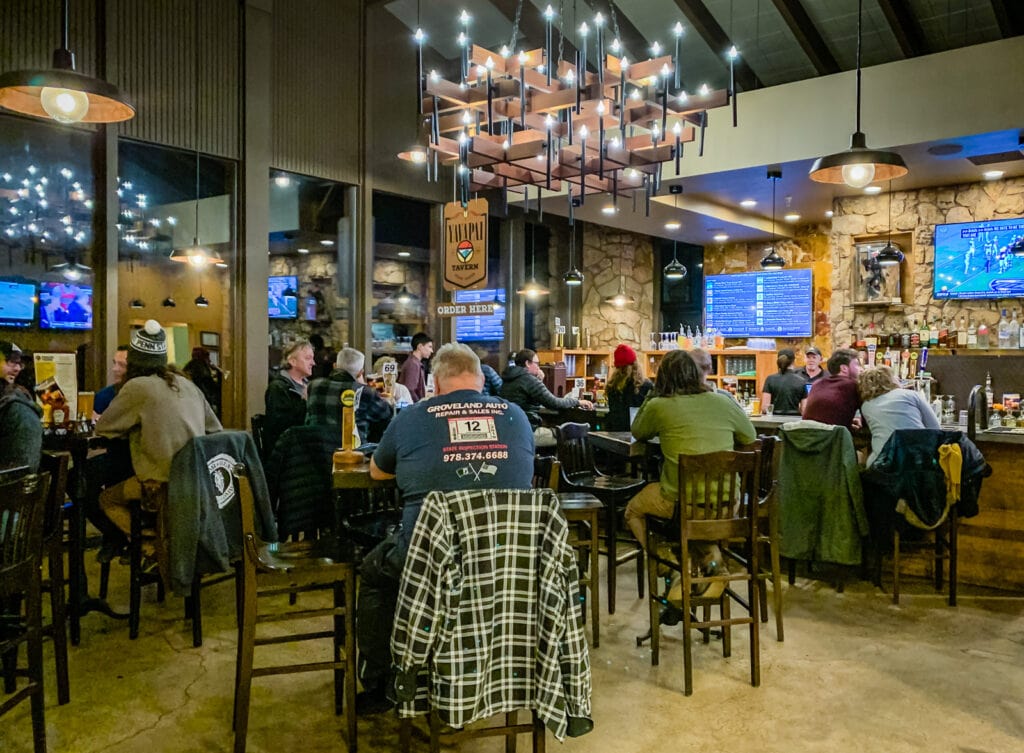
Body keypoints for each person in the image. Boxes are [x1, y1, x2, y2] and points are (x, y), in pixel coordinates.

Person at [356, 342, 534, 713]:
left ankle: (384, 681)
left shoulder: (412, 417)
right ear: (481, 379)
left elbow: (376, 471)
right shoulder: (516, 416)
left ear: (435, 382)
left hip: (429, 562)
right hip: (506, 562)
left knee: (374, 573)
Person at [625, 350, 756, 610]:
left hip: (682, 506)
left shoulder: (660, 405)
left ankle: (672, 567)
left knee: (634, 512)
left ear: (663, 378)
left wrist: (653, 392)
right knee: (696, 526)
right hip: (729, 506)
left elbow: (637, 430)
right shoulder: (723, 401)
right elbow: (750, 437)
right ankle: (715, 567)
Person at [94, 320, 222, 564]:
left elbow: (104, 427)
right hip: (197, 485)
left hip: (160, 487)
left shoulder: (137, 387)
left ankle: (151, 545)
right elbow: (215, 429)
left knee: (105, 498)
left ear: (134, 361)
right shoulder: (187, 384)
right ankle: (162, 541)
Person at [500, 348, 593, 448]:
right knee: (567, 436)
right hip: (527, 431)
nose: (539, 367)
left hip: (509, 432)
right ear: (527, 363)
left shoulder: (508, 379)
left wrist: (538, 380)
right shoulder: (529, 379)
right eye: (537, 363)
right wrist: (578, 402)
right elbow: (554, 403)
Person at [306, 347, 393, 443]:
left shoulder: (314, 386)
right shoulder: (365, 392)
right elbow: (388, 416)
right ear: (360, 372)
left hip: (317, 449)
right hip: (353, 453)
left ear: (335, 366)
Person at [859, 365, 941, 467]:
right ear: (890, 380)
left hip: (884, 463)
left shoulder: (866, 406)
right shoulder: (910, 395)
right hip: (919, 459)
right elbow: (935, 428)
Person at [264, 339, 315, 458]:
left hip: (307, 446)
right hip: (287, 453)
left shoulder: (310, 386)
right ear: (292, 361)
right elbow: (280, 427)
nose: (313, 363)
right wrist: (304, 402)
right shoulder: (278, 388)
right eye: (308, 358)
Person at [0, 340, 42, 472]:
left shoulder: (19, 412)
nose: (17, 368)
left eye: (19, 363)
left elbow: (21, 475)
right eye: (11, 361)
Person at [802, 348, 863, 430]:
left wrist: (847, 421)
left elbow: (825, 416)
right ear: (844, 368)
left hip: (807, 437)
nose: (861, 369)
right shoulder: (853, 385)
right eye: (857, 364)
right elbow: (870, 416)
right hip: (831, 440)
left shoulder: (817, 384)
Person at [605, 343, 652, 431]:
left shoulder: (611, 386)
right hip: (638, 434)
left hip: (616, 434)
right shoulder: (646, 385)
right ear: (635, 364)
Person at [760, 349, 807, 415]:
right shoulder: (801, 381)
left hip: (773, 421)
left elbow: (765, 408)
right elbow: (804, 409)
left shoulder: (770, 379)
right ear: (794, 361)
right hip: (794, 422)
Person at [183, 347, 222, 417]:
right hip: (204, 397)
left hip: (192, 397)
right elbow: (211, 385)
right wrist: (218, 371)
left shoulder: (189, 366)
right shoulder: (202, 367)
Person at [93, 345, 129, 418]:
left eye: (122, 365)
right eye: (114, 363)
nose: (114, 369)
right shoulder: (103, 396)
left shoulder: (143, 395)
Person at [397, 332, 433, 402]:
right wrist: (419, 405)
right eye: (429, 347)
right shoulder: (413, 364)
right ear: (420, 347)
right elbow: (410, 389)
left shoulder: (414, 362)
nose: (432, 351)